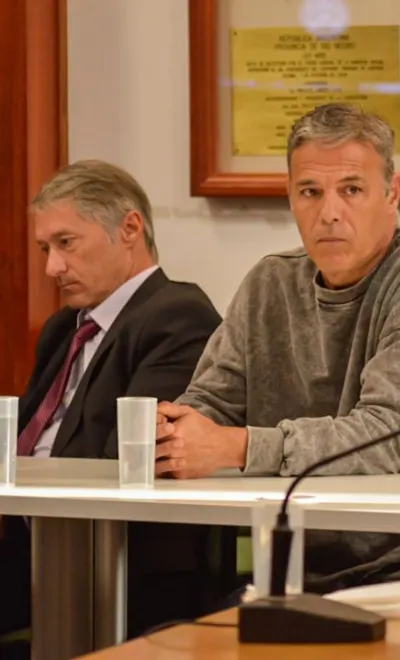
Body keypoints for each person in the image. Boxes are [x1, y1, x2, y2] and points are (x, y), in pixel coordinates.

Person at [155, 103, 400, 599]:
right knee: (183, 636)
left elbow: (386, 436)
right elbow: (213, 401)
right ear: (290, 197)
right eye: (310, 192)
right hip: (310, 564)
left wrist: (236, 447)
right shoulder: (269, 283)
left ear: (392, 193)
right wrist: (174, 430)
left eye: (352, 190)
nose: (329, 212)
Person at [0, 160, 229, 646]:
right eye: (45, 249)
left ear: (129, 228)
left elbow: (125, 462)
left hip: (119, 565)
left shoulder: (177, 315)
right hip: (34, 547)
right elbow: (24, 437)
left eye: (66, 243)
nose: (52, 267)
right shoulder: (64, 328)